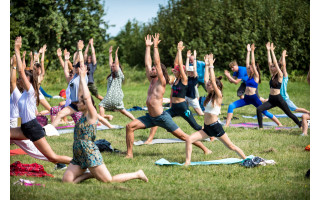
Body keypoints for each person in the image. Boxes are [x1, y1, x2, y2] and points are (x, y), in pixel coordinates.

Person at [125, 33, 212, 158]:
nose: (152, 69)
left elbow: (157, 61)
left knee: (183, 136)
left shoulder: (162, 81)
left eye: (155, 69)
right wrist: (148, 47)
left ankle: (205, 149)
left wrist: (155, 47)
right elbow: (147, 64)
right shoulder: (151, 80)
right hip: (151, 117)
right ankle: (129, 154)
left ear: (160, 71)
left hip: (162, 117)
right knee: (129, 126)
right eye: (152, 69)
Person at [62, 59, 148, 184]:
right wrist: (80, 77)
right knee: (67, 181)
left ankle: (137, 174)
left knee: (109, 180)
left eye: (81, 102)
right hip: (79, 154)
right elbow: (82, 94)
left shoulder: (91, 115)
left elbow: (86, 96)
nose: (77, 103)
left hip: (89, 153)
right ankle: (92, 174)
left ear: (88, 104)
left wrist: (82, 77)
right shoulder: (81, 115)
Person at [10, 36, 72, 164]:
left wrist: (17, 49)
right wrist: (13, 66)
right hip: (24, 127)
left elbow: (22, 71)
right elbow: (13, 81)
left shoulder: (31, 91)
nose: (20, 81)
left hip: (32, 128)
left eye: (22, 79)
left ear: (29, 81)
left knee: (53, 157)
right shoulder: (22, 95)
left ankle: (84, 165)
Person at [185, 54, 246, 165]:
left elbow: (212, 80)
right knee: (189, 139)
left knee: (231, 146)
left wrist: (212, 66)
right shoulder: (209, 96)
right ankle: (187, 162)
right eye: (207, 85)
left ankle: (246, 159)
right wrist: (207, 66)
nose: (207, 85)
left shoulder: (218, 96)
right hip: (207, 128)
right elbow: (206, 79)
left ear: (215, 87)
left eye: (209, 85)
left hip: (215, 127)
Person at [143, 41, 205, 144]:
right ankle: (150, 138)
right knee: (157, 118)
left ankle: (209, 134)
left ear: (180, 71)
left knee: (195, 125)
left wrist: (180, 51)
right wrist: (177, 51)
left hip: (183, 107)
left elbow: (179, 64)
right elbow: (176, 64)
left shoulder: (184, 79)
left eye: (175, 70)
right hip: (174, 108)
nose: (173, 71)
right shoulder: (175, 80)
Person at [224, 44, 282, 127]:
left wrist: (252, 52)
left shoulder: (256, 76)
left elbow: (252, 62)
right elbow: (247, 63)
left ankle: (279, 123)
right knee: (231, 106)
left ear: (254, 69)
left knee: (264, 112)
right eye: (248, 68)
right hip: (246, 98)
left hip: (254, 98)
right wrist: (248, 52)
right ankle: (227, 124)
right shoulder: (248, 75)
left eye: (250, 67)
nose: (248, 68)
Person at [256, 42, 302, 129]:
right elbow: (269, 62)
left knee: (289, 114)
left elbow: (275, 63)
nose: (271, 67)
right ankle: (261, 128)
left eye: (273, 66)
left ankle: (300, 125)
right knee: (259, 109)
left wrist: (272, 51)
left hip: (279, 99)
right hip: (271, 99)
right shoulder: (272, 75)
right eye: (272, 66)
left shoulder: (280, 74)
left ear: (277, 68)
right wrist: (268, 50)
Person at [99, 46, 135, 120]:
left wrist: (116, 54)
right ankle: (135, 120)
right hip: (118, 97)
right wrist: (110, 54)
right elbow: (110, 63)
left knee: (101, 105)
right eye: (112, 66)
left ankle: (102, 121)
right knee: (123, 111)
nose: (112, 67)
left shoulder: (119, 74)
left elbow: (116, 64)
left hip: (113, 96)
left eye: (114, 66)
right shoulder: (113, 74)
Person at [279, 49, 309, 114]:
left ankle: (308, 112)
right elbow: (280, 64)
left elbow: (283, 66)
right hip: (278, 96)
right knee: (269, 103)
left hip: (284, 98)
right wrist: (282, 57)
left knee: (295, 109)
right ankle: (266, 114)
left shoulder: (285, 77)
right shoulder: (278, 77)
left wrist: (283, 56)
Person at [185, 49, 204, 116]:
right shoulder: (188, 77)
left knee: (199, 112)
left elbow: (195, 68)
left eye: (191, 72)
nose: (190, 72)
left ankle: (205, 115)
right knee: (185, 108)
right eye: (189, 72)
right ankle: (187, 116)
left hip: (192, 97)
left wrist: (195, 57)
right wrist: (187, 58)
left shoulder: (195, 78)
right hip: (186, 96)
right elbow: (187, 68)